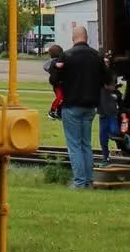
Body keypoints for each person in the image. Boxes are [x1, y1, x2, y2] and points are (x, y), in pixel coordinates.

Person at [53, 23, 110, 189]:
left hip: (71, 105)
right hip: (91, 106)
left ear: (73, 38)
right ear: (87, 38)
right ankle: (89, 180)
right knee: (86, 144)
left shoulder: (67, 56)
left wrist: (57, 69)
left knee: (74, 145)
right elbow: (107, 80)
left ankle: (79, 182)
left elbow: (55, 79)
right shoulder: (96, 56)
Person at [43, 43, 66, 119]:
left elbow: (45, 67)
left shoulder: (51, 62)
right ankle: (52, 111)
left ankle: (59, 112)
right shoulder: (54, 62)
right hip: (58, 84)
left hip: (58, 84)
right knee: (60, 97)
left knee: (62, 98)